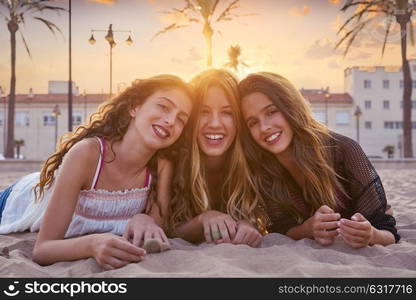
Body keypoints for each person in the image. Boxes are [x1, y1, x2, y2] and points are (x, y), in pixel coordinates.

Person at [0, 75, 193, 269]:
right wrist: (92, 244)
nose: (170, 120)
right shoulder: (87, 154)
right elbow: (42, 250)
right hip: (16, 201)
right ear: (135, 107)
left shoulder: (162, 166)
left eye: (181, 119)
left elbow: (154, 227)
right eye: (163, 106)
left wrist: (145, 219)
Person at [238, 72, 400, 248]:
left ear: (290, 107)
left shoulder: (345, 151)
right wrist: (308, 228)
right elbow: (282, 229)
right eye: (253, 122)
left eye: (271, 112)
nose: (264, 127)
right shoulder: (262, 169)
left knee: (384, 211)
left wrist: (371, 235)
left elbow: (389, 233)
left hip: (368, 223)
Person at [167, 69, 267, 247]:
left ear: (239, 120)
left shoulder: (254, 160)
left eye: (227, 113)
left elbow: (266, 221)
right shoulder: (171, 160)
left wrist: (247, 225)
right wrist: (204, 219)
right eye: (204, 112)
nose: (214, 123)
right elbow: (167, 229)